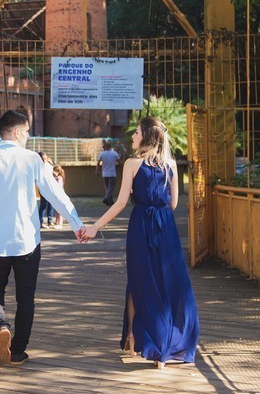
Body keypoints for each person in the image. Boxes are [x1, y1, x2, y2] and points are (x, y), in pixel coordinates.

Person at [0, 110, 87, 367]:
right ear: (16, 132)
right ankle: (18, 351)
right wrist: (76, 223)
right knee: (26, 297)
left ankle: (1, 326)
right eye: (27, 132)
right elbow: (55, 194)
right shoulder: (32, 159)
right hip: (27, 242)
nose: (28, 136)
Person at [81, 117, 199, 369]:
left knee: (138, 279)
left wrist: (95, 227)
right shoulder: (170, 164)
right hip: (165, 228)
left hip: (141, 226)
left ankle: (134, 339)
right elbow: (173, 204)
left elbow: (121, 203)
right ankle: (164, 345)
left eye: (136, 132)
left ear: (146, 136)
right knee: (167, 282)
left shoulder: (132, 164)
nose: (133, 136)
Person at [96, 140, 120, 206]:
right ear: (110, 147)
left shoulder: (102, 154)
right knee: (111, 187)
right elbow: (119, 161)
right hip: (112, 173)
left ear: (104, 147)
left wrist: (97, 170)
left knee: (107, 187)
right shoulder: (114, 153)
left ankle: (110, 201)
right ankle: (106, 198)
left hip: (105, 173)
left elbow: (98, 163)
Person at [37, 152, 55, 228]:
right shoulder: (37, 166)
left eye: (45, 159)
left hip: (50, 187)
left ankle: (50, 221)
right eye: (42, 159)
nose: (44, 160)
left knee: (51, 205)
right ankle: (40, 222)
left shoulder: (49, 165)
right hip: (43, 188)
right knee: (43, 205)